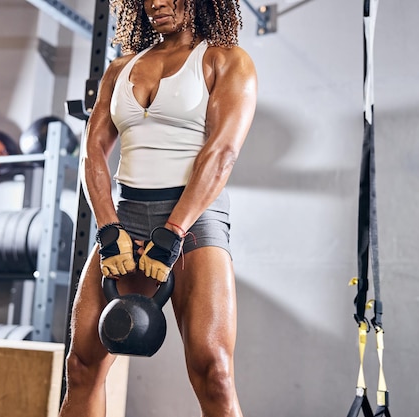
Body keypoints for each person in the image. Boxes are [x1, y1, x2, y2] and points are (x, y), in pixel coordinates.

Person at [59, 0, 257, 415]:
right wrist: (109, 231)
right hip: (126, 218)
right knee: (81, 366)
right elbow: (92, 153)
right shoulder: (120, 69)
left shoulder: (226, 60)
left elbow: (220, 155)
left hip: (196, 219)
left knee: (214, 371)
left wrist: (173, 233)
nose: (156, 3)